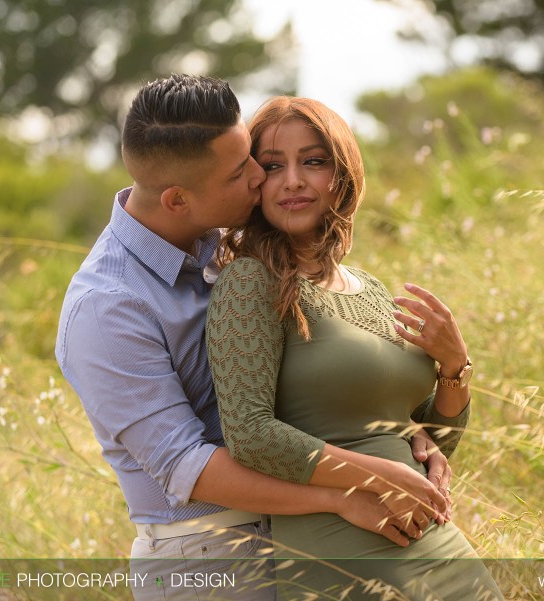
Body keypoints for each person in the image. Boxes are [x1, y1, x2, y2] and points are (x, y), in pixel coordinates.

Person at [55, 75, 453, 601]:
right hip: (212, 560)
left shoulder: (228, 243)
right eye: (245, 170)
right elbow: (188, 468)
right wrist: (343, 494)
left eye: (251, 158)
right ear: (178, 199)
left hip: (304, 534)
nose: (260, 180)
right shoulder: (105, 308)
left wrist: (398, 431)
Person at [206, 96, 503, 600]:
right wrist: (379, 475)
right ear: (255, 184)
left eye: (314, 161)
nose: (294, 180)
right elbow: (250, 435)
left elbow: (430, 443)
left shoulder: (370, 288)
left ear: (342, 174)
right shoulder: (250, 281)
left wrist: (454, 365)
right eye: (273, 166)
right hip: (342, 551)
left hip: (437, 544)